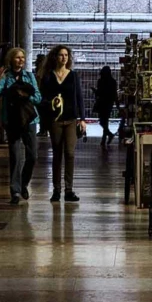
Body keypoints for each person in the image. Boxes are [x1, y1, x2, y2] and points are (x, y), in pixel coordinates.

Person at [0, 47, 42, 205]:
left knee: (32, 156)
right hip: (12, 121)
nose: (21, 60)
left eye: (23, 58)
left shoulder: (29, 76)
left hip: (29, 120)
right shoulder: (6, 77)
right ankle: (15, 191)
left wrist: (26, 95)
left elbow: (38, 97)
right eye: (18, 58)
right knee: (15, 157)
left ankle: (23, 183)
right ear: (11, 59)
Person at [40, 44, 86, 202]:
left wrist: (83, 118)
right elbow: (42, 98)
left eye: (66, 55)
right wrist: (51, 104)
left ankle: (69, 190)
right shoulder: (48, 76)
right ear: (55, 57)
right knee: (57, 154)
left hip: (71, 119)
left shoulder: (73, 76)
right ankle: (56, 190)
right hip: (55, 120)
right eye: (61, 55)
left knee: (70, 154)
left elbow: (79, 97)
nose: (64, 57)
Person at [94, 66, 118, 147]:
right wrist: (117, 104)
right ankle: (104, 139)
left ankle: (108, 136)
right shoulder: (113, 82)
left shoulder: (100, 81)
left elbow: (99, 92)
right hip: (109, 103)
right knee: (105, 121)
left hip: (101, 103)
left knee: (102, 121)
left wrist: (94, 91)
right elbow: (115, 94)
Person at [34, 53, 50, 137]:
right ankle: (43, 130)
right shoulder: (43, 71)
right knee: (42, 114)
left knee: (43, 114)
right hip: (42, 95)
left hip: (43, 95)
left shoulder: (43, 72)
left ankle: (43, 130)